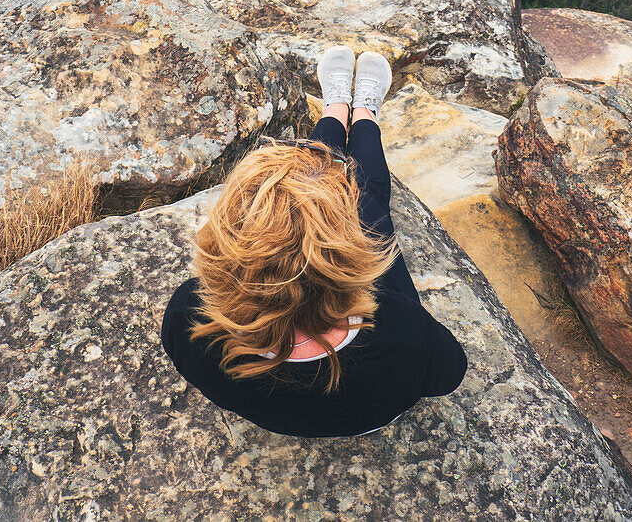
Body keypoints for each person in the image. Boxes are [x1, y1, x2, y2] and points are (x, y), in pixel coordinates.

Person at [160, 46, 467, 437]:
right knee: (368, 200)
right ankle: (363, 113)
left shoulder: (191, 318)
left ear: (225, 243)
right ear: (350, 261)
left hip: (274, 414)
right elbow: (448, 375)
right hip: (369, 417)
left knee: (309, 182)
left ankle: (336, 107)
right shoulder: (400, 330)